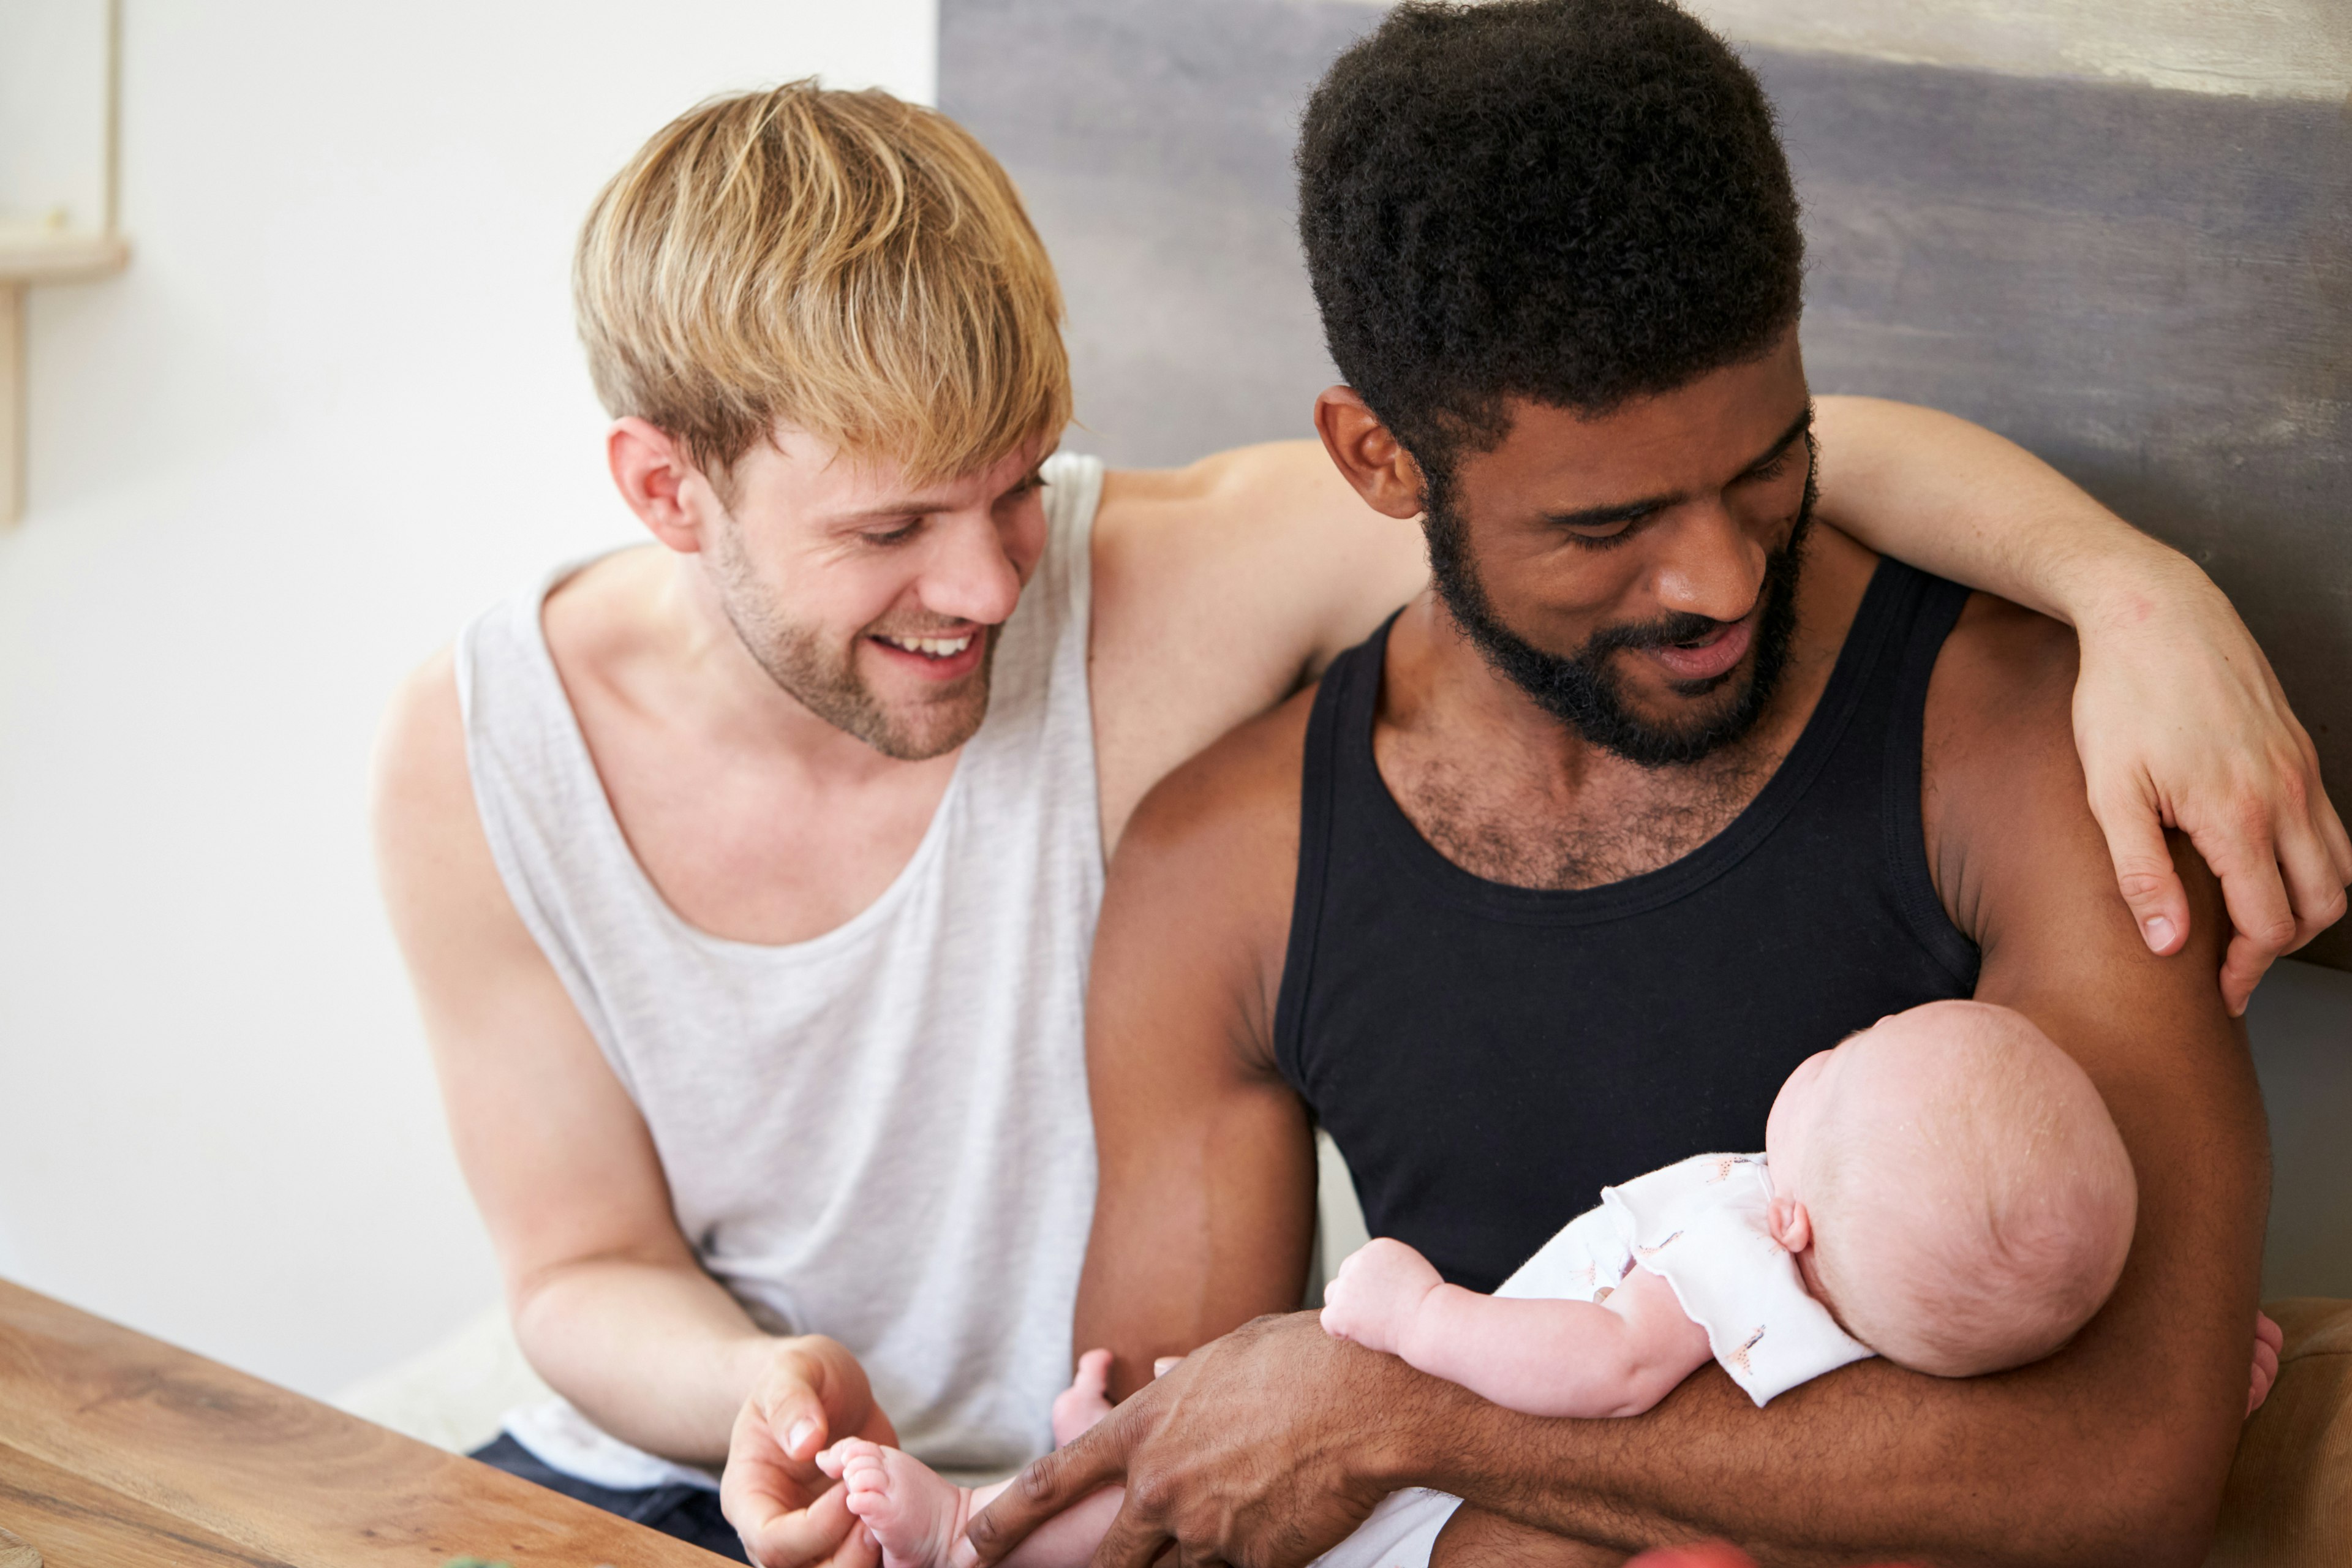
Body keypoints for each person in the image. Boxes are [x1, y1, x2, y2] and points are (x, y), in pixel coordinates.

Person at [369, 72, 2346, 1568]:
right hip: (721, 1464)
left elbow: (1672, 453)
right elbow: (586, 1276)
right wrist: (755, 1394)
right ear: (659, 488)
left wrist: (2130, 588)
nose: (985, 586)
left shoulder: (1164, 590)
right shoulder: (498, 755)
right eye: (887, 530)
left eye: (1010, 485)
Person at [965, 4, 2350, 1567]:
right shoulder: (1224, 864)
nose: (1723, 575)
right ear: (1380, 462)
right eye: (1608, 522)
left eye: (1768, 459)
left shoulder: (2026, 737)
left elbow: (2126, 1461)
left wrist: (1412, 1415)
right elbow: (1166, 1494)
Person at [807, 1001, 2280, 1568]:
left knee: (1190, 1510)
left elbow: (1604, 1367)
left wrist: (1407, 1318)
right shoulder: (1903, 1323)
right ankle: (1056, 1467)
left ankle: (964, 1532)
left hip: (1419, 1485)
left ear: (1805, 1214)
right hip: (1451, 1476)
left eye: (1845, 1069)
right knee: (1191, 1429)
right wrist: (2219, 1380)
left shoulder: (1740, 1256)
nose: (1829, 1049)